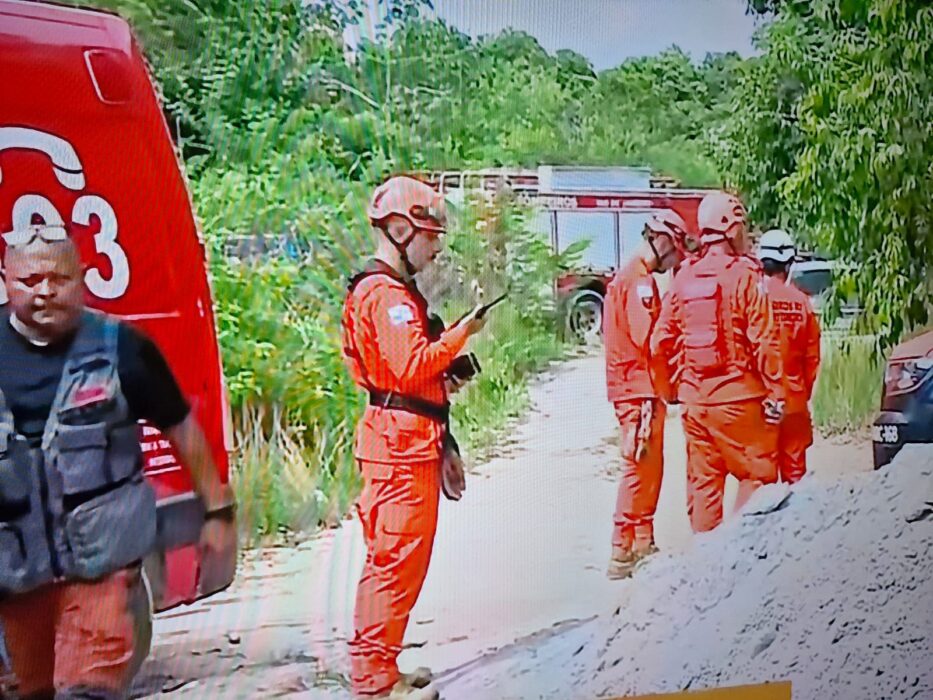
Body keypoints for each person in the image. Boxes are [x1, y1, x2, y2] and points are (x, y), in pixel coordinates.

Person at [0, 226, 234, 700]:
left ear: (83, 278)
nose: (45, 291)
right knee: (28, 689)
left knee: (88, 689)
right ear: (5, 279)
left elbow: (180, 426)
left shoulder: (121, 347)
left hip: (103, 566)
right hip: (16, 575)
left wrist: (217, 511)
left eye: (59, 279)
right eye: (30, 280)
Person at [341, 176, 487, 700]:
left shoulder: (392, 294)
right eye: (429, 235)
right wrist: (460, 334)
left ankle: (382, 665)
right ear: (400, 230)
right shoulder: (385, 296)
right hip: (399, 448)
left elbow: (401, 372)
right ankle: (374, 682)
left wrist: (444, 377)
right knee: (394, 560)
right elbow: (407, 367)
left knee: (402, 560)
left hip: (409, 440)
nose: (435, 247)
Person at [652, 192, 786, 533]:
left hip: (696, 407)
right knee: (757, 478)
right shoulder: (745, 276)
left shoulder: (683, 279)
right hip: (740, 405)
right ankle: (743, 561)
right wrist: (776, 394)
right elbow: (766, 340)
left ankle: (706, 568)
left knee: (704, 489)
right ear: (730, 228)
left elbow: (658, 343)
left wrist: (670, 392)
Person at [603, 210, 689, 579]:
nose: (675, 263)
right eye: (677, 252)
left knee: (651, 465)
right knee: (639, 467)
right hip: (638, 390)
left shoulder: (630, 278)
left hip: (639, 389)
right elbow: (649, 339)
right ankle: (622, 548)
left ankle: (641, 539)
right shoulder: (638, 282)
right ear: (665, 240)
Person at [757, 229, 821, 484]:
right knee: (796, 479)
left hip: (762, 404)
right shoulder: (802, 302)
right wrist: (801, 393)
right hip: (794, 401)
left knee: (762, 480)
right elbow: (812, 357)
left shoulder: (753, 298)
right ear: (789, 263)